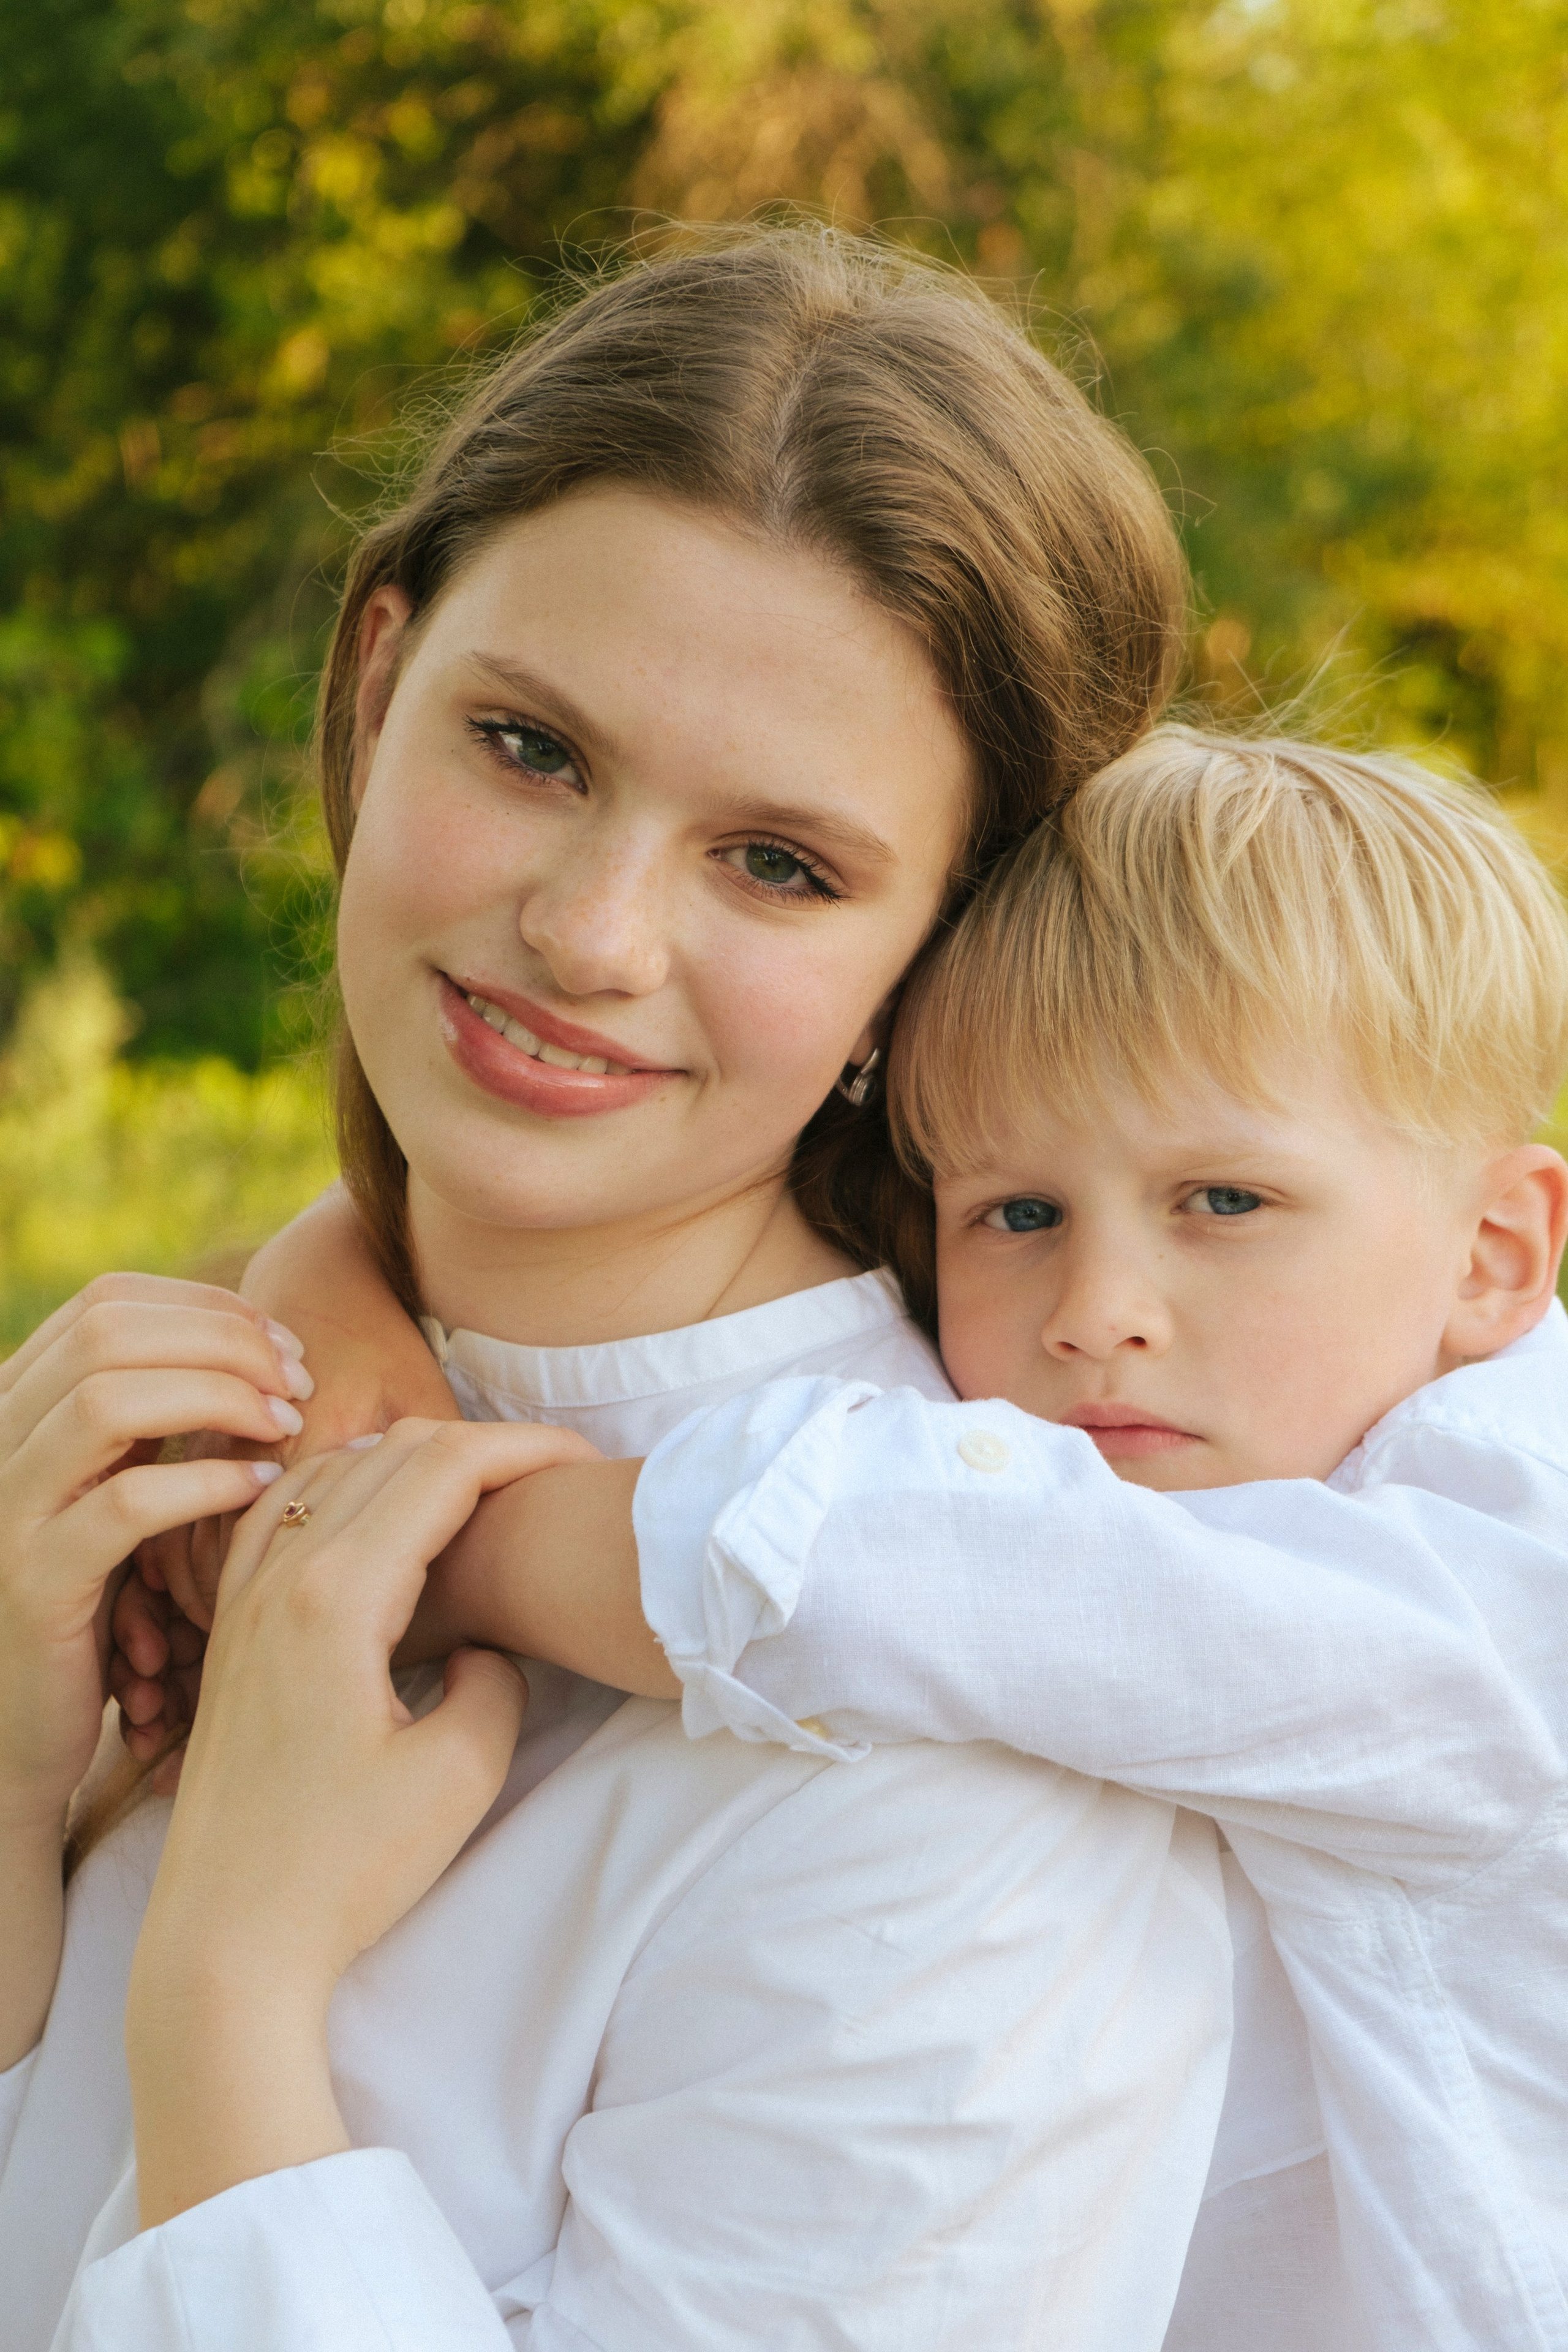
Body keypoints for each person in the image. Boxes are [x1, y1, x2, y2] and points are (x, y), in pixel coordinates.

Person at [0, 228, 1238, 2352]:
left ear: (930, 963)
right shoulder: (151, 1456)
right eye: (531, 748)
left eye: (778, 863)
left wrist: (232, 1991)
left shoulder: (964, 1780)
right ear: (382, 684)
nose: (586, 930)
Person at [230, 728, 1568, 2351]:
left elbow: (908, 1563)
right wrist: (330, 1270)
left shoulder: (1500, 1592)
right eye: (1018, 1214)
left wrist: (434, 1549)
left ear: (1497, 1255)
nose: (1096, 1316)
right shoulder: (1230, 1441)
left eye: (1225, 1203)